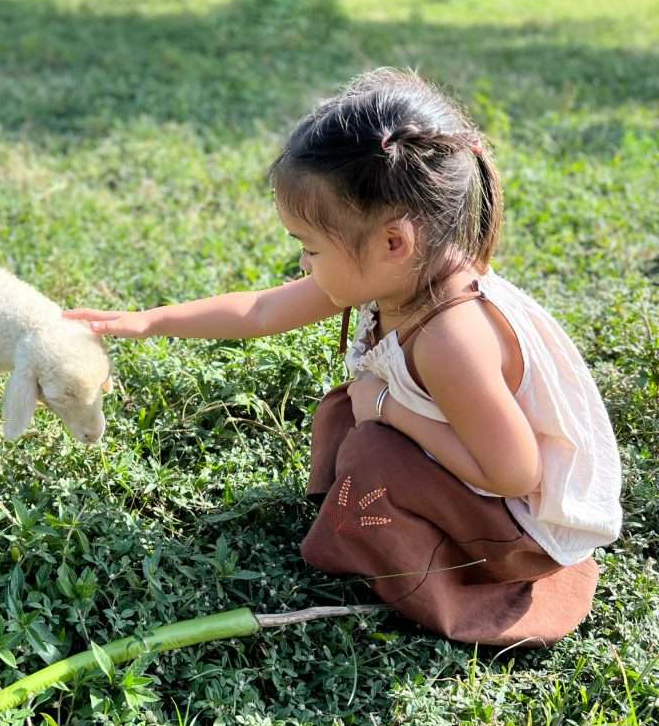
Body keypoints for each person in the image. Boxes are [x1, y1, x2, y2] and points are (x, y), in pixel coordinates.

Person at [64, 68, 622, 647]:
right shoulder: (403, 274)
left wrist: (388, 408)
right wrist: (149, 321)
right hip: (482, 474)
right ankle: (373, 516)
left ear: (392, 241)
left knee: (372, 444)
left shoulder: (451, 337)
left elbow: (515, 473)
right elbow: (259, 312)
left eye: (310, 248)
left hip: (521, 532)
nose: (304, 266)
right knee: (348, 413)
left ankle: (444, 581)